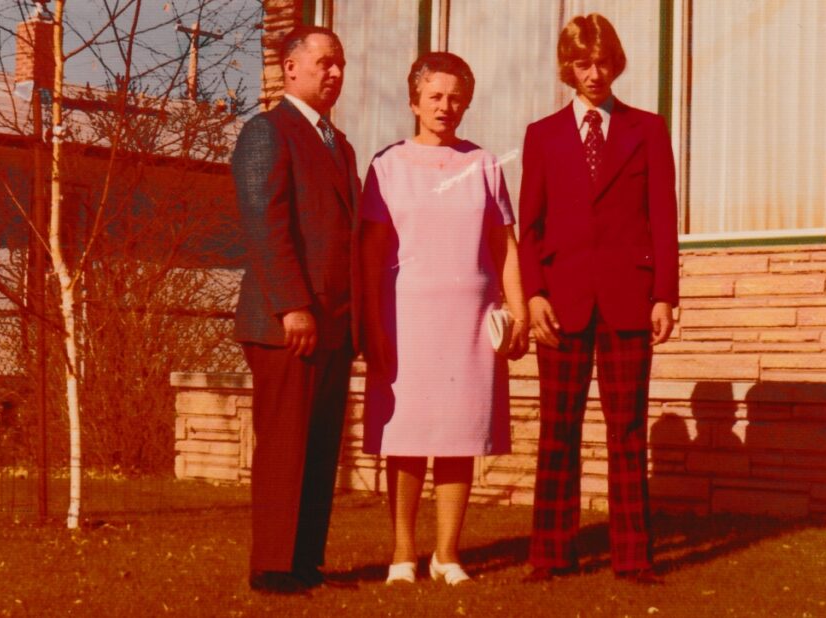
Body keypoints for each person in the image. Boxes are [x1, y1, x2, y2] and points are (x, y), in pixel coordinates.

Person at [518, 13, 680, 584]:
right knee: (558, 428)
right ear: (569, 67)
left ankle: (633, 557)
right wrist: (533, 294)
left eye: (603, 62)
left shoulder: (648, 130)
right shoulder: (542, 135)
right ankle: (550, 554)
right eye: (584, 63)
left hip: (628, 299)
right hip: (561, 301)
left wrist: (664, 294)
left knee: (627, 430)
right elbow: (529, 226)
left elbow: (663, 216)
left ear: (616, 63)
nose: (594, 73)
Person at [360, 51, 529, 586]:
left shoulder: (483, 164)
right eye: (434, 96)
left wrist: (519, 310)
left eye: (456, 97)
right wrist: (372, 326)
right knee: (406, 437)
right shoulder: (385, 165)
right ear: (414, 100)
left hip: (470, 323)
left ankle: (448, 555)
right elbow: (368, 256)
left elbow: (504, 243)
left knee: (461, 437)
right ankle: (403, 555)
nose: (445, 106)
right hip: (405, 319)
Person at [230, 25, 360, 595]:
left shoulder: (340, 142)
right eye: (324, 63)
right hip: (288, 323)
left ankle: (305, 561)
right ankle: (272, 567)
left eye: (340, 65)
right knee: (285, 445)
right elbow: (265, 223)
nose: (334, 73)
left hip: (333, 324)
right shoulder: (267, 132)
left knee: (319, 445)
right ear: (291, 68)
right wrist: (293, 307)